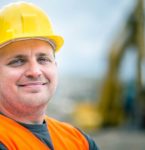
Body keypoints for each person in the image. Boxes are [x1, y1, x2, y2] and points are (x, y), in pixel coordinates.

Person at [0, 2, 99, 150]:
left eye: (43, 59)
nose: (35, 71)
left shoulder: (79, 141)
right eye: (18, 61)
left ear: (55, 67)